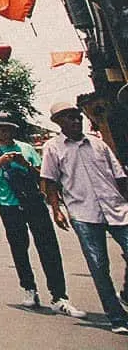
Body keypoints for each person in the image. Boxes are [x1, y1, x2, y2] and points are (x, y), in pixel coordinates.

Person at [0, 111, 85, 316]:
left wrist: (24, 163)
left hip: (34, 203)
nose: (5, 131)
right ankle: (29, 289)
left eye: (9, 128)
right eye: (2, 128)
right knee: (19, 248)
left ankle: (59, 296)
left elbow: (43, 176)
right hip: (9, 205)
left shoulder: (25, 148)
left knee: (48, 247)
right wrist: (1, 162)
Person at [41, 101, 128, 334]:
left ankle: (126, 294)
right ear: (59, 122)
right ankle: (117, 318)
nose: (76, 120)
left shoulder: (98, 144)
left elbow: (119, 176)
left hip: (116, 208)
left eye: (77, 116)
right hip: (83, 213)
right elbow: (49, 181)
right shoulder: (53, 147)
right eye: (69, 117)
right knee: (99, 266)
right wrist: (56, 209)